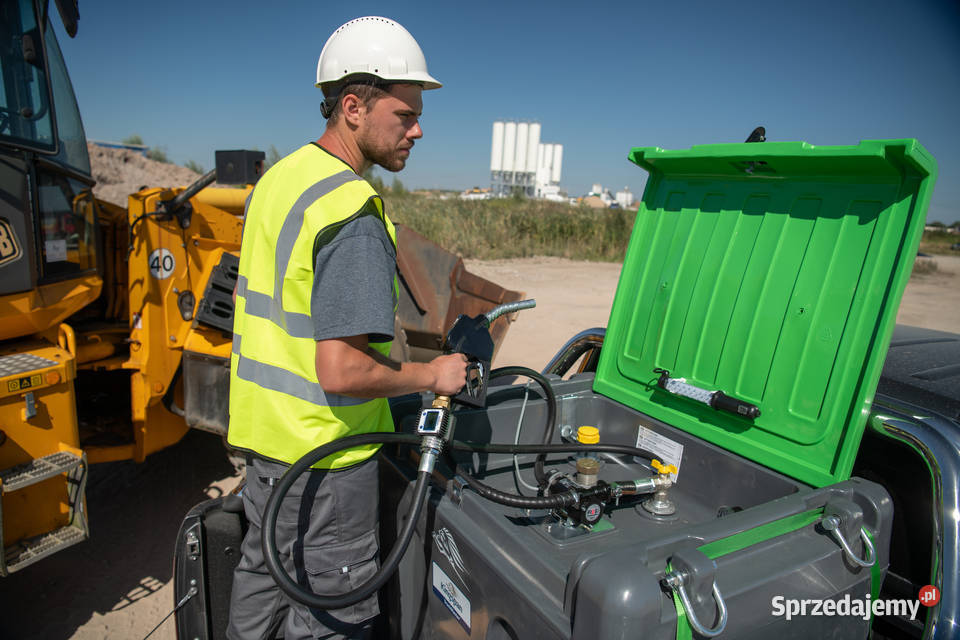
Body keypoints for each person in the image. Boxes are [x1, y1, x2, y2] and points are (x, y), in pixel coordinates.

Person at [226, 16, 467, 640]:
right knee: (331, 620)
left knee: (261, 594)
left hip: (267, 451)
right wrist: (433, 373)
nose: (417, 129)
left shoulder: (280, 180)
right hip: (328, 464)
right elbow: (341, 370)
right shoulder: (351, 211)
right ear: (353, 107)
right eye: (404, 114)